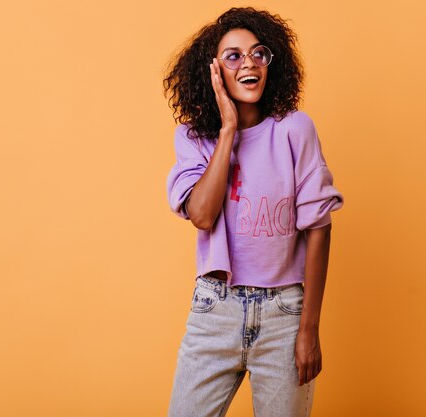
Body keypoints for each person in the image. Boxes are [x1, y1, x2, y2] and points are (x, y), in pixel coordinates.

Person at [163, 6, 344, 417]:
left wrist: (309, 330)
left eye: (258, 53)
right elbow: (203, 215)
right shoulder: (193, 138)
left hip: (285, 313)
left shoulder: (295, 129)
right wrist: (228, 129)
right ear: (212, 71)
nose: (249, 63)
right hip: (215, 309)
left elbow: (319, 228)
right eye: (233, 56)